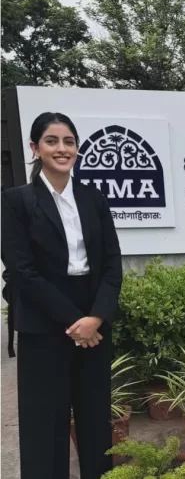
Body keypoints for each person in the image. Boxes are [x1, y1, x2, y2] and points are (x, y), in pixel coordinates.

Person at [1, 112, 122, 479]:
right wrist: (75, 322)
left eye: (69, 141)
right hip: (43, 320)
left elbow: (112, 264)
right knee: (44, 424)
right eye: (51, 141)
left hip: (93, 318)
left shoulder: (93, 199)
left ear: (77, 149)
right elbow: (22, 271)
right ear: (35, 148)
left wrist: (96, 317)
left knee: (95, 420)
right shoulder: (16, 202)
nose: (62, 148)